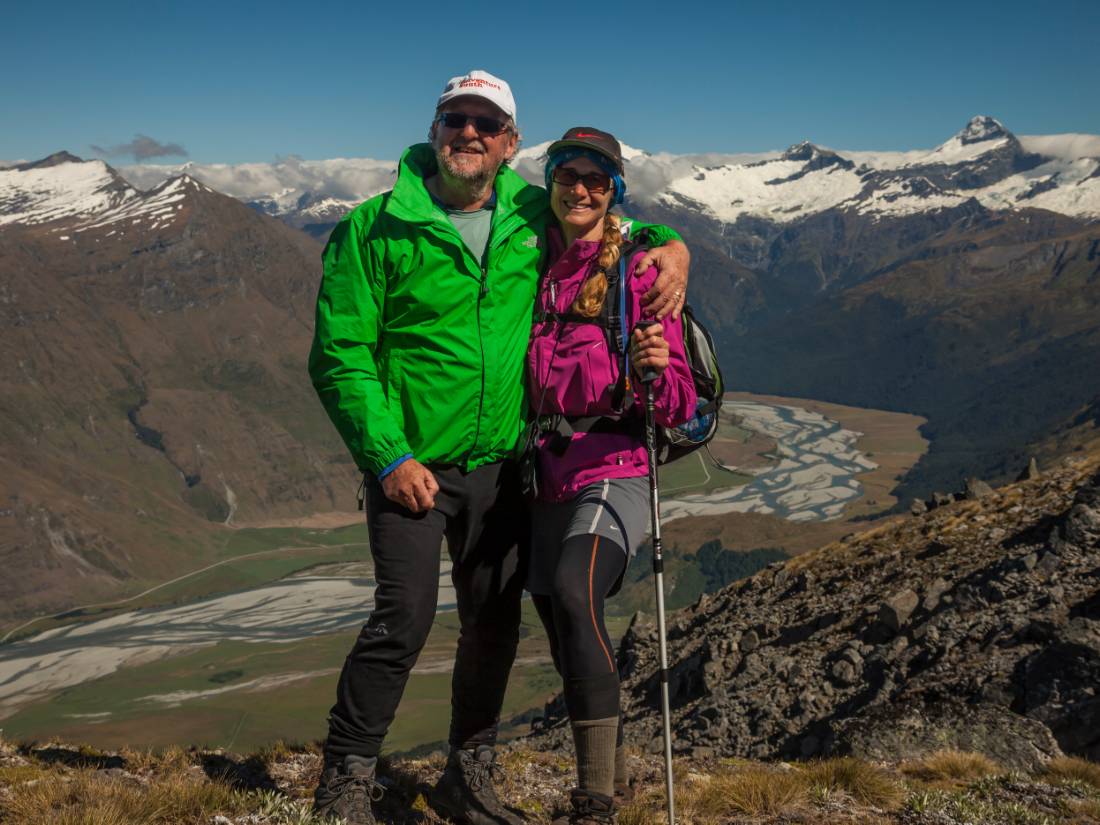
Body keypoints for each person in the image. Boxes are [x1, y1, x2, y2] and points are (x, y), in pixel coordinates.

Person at [308, 71, 690, 825]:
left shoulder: (528, 209)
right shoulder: (374, 226)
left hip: (505, 465)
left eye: (488, 123)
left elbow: (614, 225)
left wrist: (673, 248)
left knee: (492, 623)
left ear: (510, 144)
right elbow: (340, 355)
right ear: (435, 129)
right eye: (458, 119)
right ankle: (344, 780)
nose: (470, 134)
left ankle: (467, 775)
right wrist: (388, 456)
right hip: (410, 464)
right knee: (404, 618)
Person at [525, 128, 697, 825]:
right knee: (565, 628)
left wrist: (657, 368)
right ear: (552, 182)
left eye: (599, 180)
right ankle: (616, 772)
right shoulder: (528, 259)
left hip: (617, 467)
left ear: (615, 191)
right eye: (569, 175)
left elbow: (680, 405)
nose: (582, 189)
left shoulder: (642, 272)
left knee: (575, 588)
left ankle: (594, 799)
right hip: (542, 475)